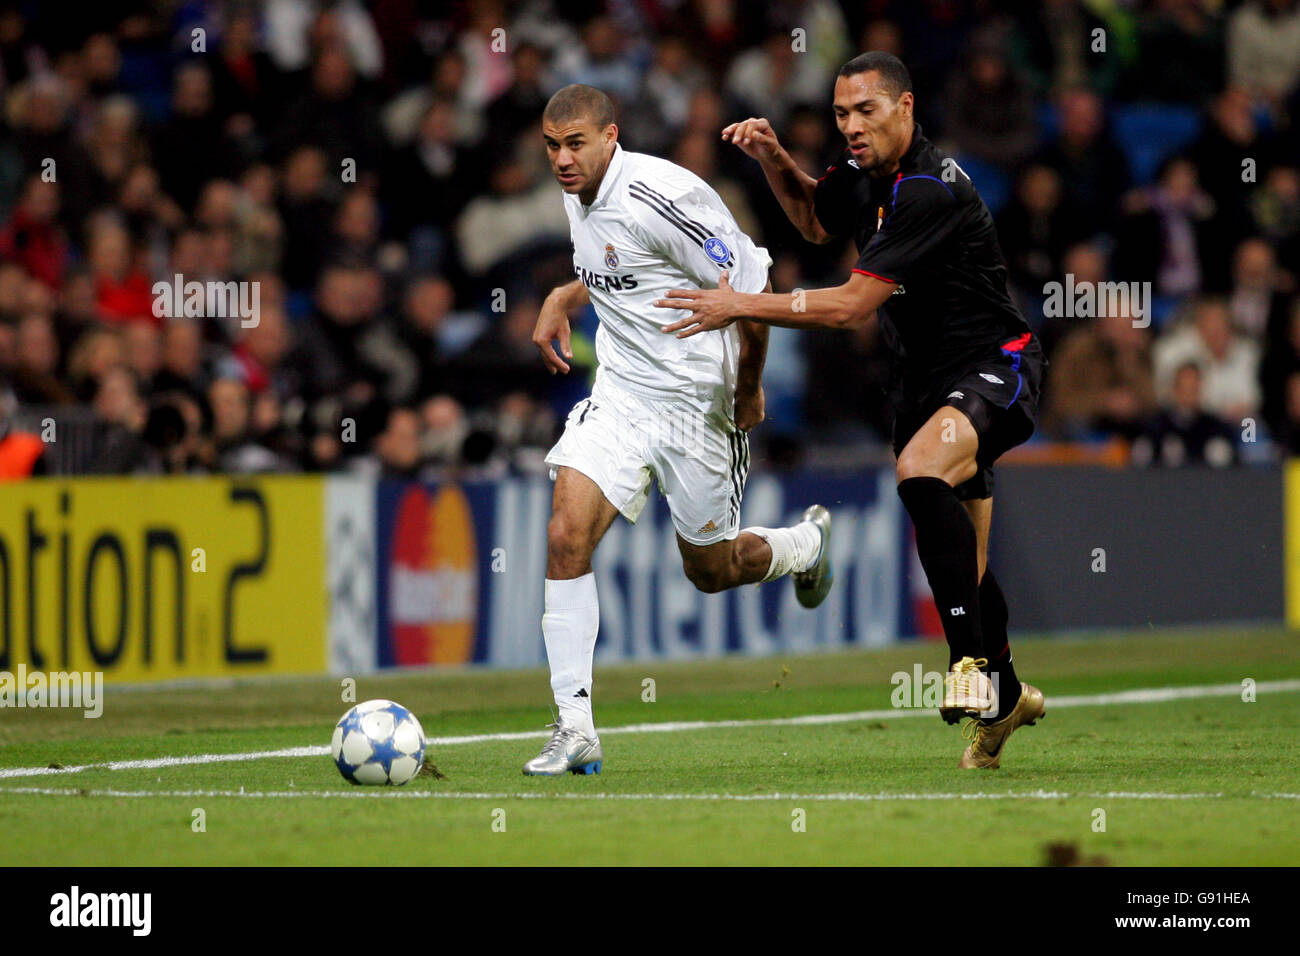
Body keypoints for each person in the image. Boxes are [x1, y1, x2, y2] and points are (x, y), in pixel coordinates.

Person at [653, 53, 1046, 769]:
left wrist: (739, 301)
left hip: (998, 366)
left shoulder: (927, 189)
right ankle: (1006, 697)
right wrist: (776, 159)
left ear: (905, 106)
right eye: (840, 114)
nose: (851, 126)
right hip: (925, 384)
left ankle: (964, 667)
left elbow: (849, 307)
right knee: (972, 567)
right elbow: (811, 222)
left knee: (919, 471)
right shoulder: (864, 174)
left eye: (865, 111)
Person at [525, 84, 833, 776]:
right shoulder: (579, 194)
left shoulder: (665, 196)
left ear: (612, 136)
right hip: (624, 396)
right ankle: (574, 728)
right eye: (552, 146)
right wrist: (561, 294)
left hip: (699, 405)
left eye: (575, 144)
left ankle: (804, 544)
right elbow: (617, 268)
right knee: (564, 534)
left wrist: (749, 387)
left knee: (712, 571)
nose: (562, 160)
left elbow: (751, 289)